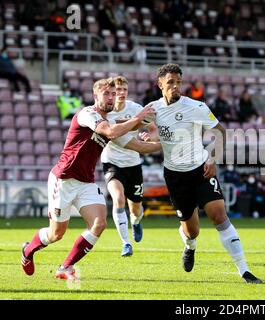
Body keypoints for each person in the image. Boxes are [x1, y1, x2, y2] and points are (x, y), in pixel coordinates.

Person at [20, 78, 161, 280]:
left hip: (86, 182)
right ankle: (27, 251)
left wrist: (165, 145)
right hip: (64, 179)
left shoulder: (112, 124)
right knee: (56, 234)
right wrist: (138, 118)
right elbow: (110, 131)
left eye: (114, 94)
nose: (111, 97)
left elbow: (138, 146)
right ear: (96, 96)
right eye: (107, 94)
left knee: (99, 223)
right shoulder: (87, 114)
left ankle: (65, 268)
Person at [150, 63, 262, 283]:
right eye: (170, 82)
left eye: (178, 82)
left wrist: (213, 158)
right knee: (192, 231)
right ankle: (190, 247)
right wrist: (146, 135)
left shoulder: (196, 107)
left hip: (201, 169)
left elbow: (220, 131)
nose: (175, 86)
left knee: (219, 216)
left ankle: (244, 270)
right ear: (160, 84)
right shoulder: (152, 109)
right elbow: (143, 129)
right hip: (175, 176)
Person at [101, 76, 158, 257]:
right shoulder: (106, 113)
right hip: (111, 162)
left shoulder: (135, 109)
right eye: (118, 90)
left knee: (136, 208)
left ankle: (135, 221)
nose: (122, 93)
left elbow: (154, 129)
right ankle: (126, 243)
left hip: (133, 164)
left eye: (125, 90)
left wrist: (152, 138)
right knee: (118, 199)